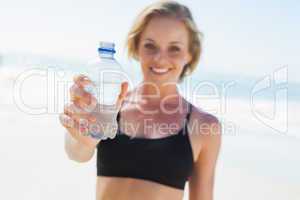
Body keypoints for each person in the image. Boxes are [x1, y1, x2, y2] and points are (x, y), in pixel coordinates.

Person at [59, 1, 221, 199]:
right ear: (136, 47)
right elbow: (77, 154)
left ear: (189, 54)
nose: (160, 59)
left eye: (174, 48)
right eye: (150, 45)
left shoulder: (204, 126)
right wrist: (82, 134)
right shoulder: (112, 107)